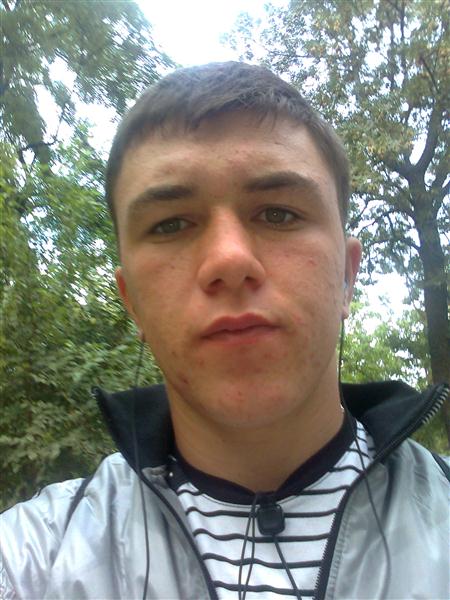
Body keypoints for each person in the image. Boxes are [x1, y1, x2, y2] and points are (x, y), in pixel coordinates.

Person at [1, 62, 449, 600]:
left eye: (278, 214)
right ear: (131, 302)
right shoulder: (34, 557)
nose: (229, 259)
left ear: (347, 278)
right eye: (170, 224)